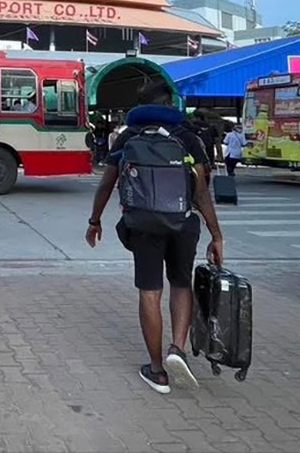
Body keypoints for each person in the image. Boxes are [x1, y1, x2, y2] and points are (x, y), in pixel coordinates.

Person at [86, 80, 224, 395]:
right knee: (181, 284)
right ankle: (177, 349)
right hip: (183, 223)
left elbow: (106, 184)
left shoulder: (128, 137)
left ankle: (157, 370)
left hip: (143, 225)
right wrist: (216, 236)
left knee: (150, 293)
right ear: (169, 103)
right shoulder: (187, 136)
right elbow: (202, 193)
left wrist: (95, 221)